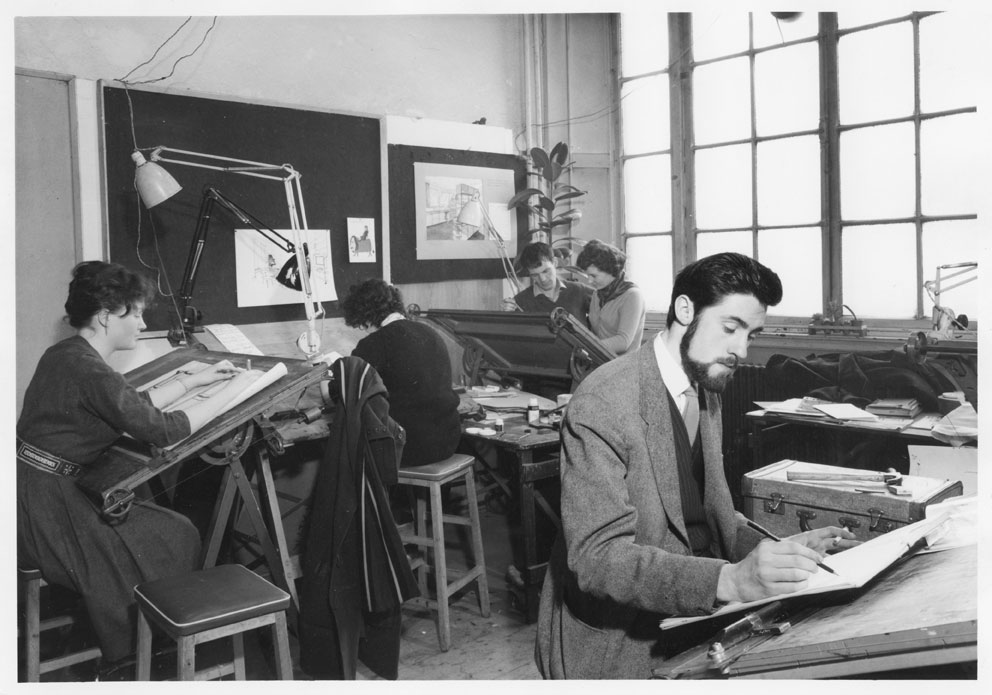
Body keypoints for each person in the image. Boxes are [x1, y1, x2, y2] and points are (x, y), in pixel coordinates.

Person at [535, 252, 859, 679]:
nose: (741, 350)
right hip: (618, 639)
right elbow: (597, 558)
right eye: (731, 328)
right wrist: (729, 581)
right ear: (685, 310)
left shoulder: (705, 388)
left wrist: (787, 553)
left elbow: (711, 520)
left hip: (690, 615)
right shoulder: (602, 402)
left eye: (752, 335)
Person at [16, 261, 240, 676]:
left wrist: (193, 382)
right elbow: (163, 429)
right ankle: (139, 654)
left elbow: (128, 401)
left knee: (155, 526)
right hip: (50, 511)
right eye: (134, 312)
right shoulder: (90, 369)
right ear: (105, 316)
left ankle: (141, 639)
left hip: (27, 494)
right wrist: (237, 392)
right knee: (176, 532)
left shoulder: (65, 355)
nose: (141, 322)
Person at [341, 278, 461, 467]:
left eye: (361, 324)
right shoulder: (431, 333)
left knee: (346, 453)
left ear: (366, 316)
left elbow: (343, 390)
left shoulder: (375, 342)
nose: (362, 329)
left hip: (409, 448)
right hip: (448, 440)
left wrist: (328, 375)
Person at [575, 239, 646, 355]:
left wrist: (588, 346)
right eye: (588, 275)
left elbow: (623, 341)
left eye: (593, 276)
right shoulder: (597, 295)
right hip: (602, 362)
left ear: (610, 270)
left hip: (625, 367)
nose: (589, 281)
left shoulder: (632, 295)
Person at [507, 242, 592, 326]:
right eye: (535, 275)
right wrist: (506, 316)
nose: (542, 279)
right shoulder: (521, 302)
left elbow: (604, 310)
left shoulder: (579, 290)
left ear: (555, 263)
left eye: (546, 271)